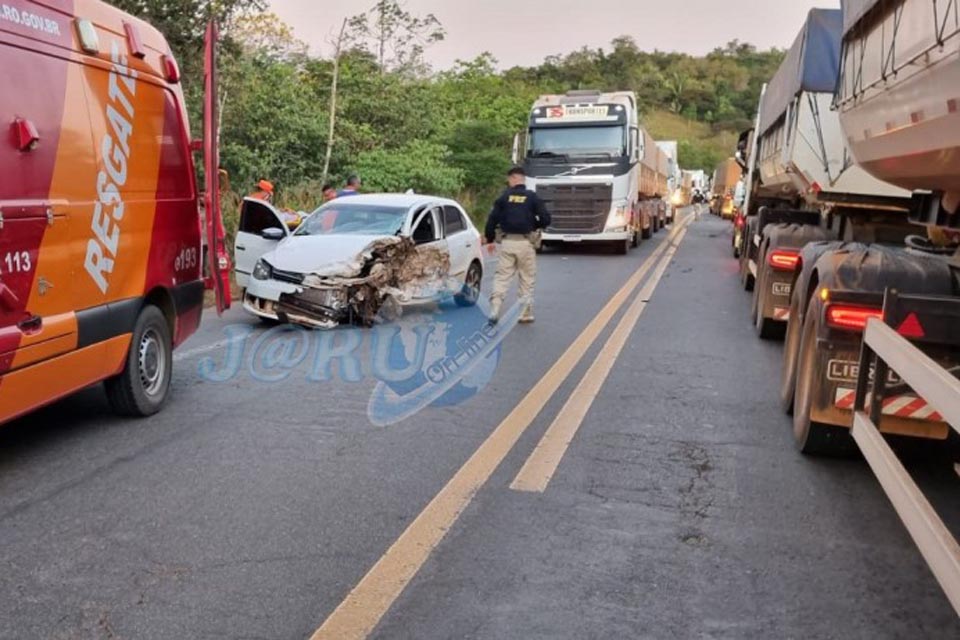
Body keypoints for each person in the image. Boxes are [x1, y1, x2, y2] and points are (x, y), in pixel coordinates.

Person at [484, 166, 551, 324]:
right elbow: (546, 219)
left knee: (502, 277)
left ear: (513, 178)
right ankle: (524, 313)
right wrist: (534, 224)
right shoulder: (532, 197)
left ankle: (495, 310)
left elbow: (492, 220)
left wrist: (490, 239)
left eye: (509, 179)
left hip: (507, 243)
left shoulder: (503, 197)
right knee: (526, 279)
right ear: (523, 179)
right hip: (526, 243)